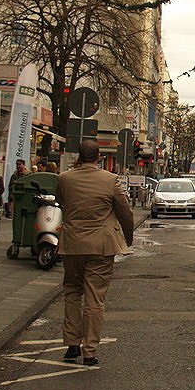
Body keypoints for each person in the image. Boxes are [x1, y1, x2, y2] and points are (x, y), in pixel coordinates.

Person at [56, 139, 134, 366]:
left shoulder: (64, 179)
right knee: (95, 298)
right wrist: (127, 237)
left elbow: (61, 202)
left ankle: (71, 345)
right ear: (99, 156)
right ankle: (89, 351)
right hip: (100, 246)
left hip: (72, 245)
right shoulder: (110, 181)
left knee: (72, 291)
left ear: (78, 156)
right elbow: (125, 212)